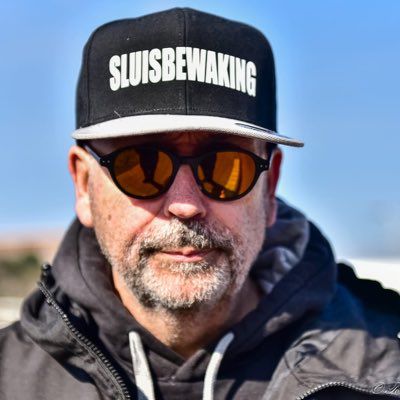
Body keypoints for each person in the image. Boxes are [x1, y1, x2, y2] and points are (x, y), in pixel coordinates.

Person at [0, 8, 399, 400]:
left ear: (270, 187)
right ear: (84, 185)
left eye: (225, 167)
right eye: (143, 167)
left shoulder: (384, 375)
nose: (186, 205)